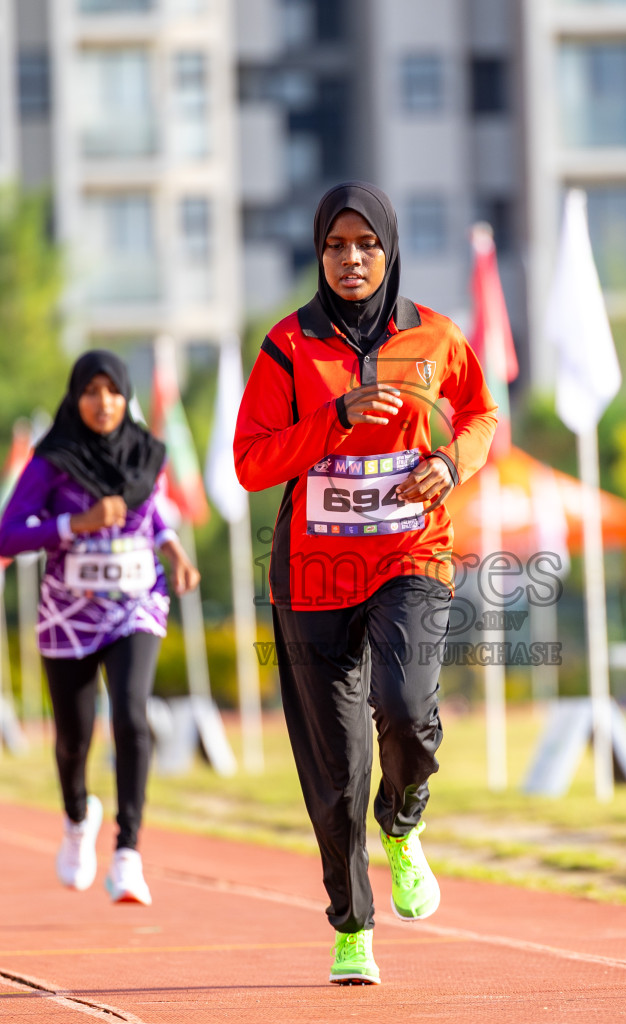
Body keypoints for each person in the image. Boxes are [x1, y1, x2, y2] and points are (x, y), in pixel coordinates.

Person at [233, 181, 498, 985]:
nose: (352, 259)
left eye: (367, 245)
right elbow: (251, 463)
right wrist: (334, 419)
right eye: (336, 246)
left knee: (408, 707)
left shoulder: (435, 337)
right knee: (335, 770)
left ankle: (405, 819)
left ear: (388, 250)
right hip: (312, 576)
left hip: (410, 557)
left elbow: (483, 413)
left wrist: (450, 463)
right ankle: (352, 927)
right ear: (319, 254)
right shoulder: (288, 346)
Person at [0, 350, 199, 906]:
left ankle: (128, 853)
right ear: (75, 396)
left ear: (125, 396)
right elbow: (6, 538)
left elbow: (151, 512)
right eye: (91, 391)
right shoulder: (52, 461)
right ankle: (77, 817)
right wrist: (73, 523)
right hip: (68, 613)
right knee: (73, 739)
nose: (102, 402)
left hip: (136, 601)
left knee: (132, 713)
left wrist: (172, 545)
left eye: (112, 391)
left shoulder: (146, 453)